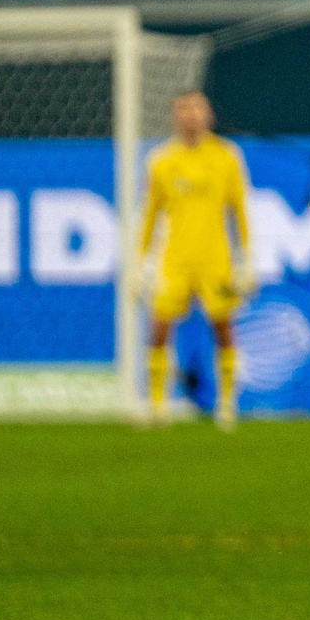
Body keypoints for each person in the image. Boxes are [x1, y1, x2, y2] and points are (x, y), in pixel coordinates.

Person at [132, 93, 251, 430]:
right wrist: (140, 265)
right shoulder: (162, 161)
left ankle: (227, 405)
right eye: (184, 109)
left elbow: (240, 212)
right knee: (159, 329)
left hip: (216, 259)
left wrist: (246, 261)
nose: (191, 116)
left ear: (209, 115)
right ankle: (158, 406)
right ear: (175, 117)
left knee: (224, 328)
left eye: (197, 109)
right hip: (176, 260)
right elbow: (149, 217)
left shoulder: (227, 157)